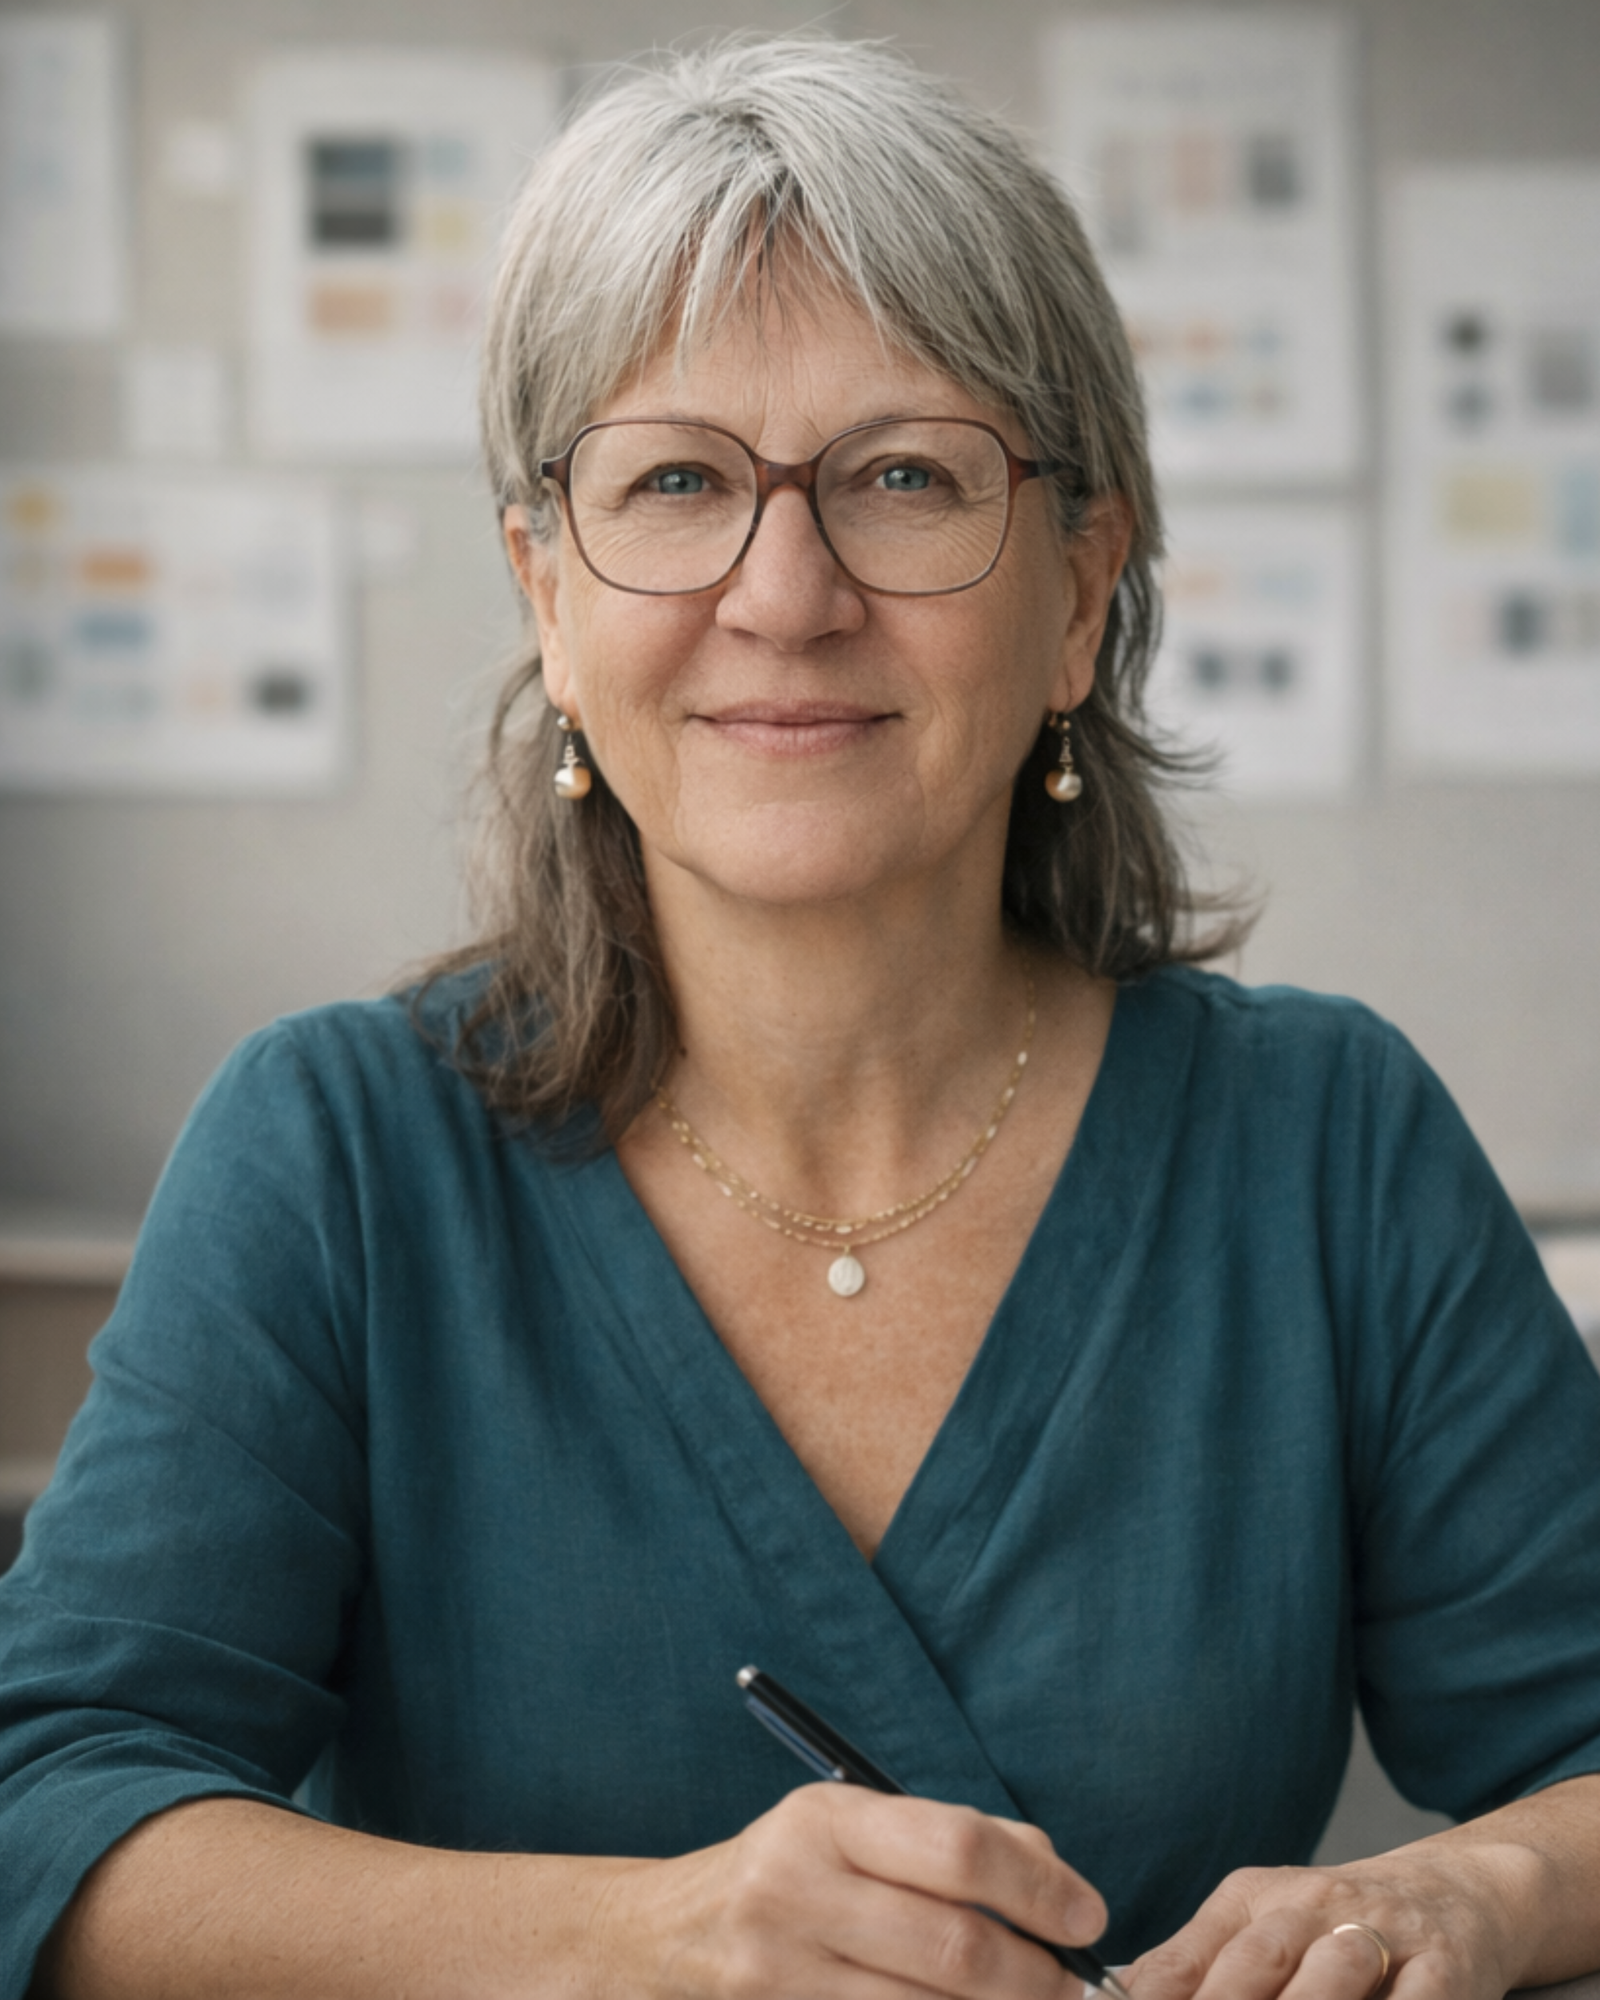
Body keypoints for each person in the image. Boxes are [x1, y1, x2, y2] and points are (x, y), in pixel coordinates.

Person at [4, 35, 1600, 2000]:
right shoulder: (335, 1153)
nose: (785, 589)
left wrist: (1470, 1895)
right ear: (546, 595)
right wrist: (640, 1937)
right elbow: (45, 1807)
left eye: (903, 476)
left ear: (1080, 592)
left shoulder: (1323, 1146)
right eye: (674, 479)